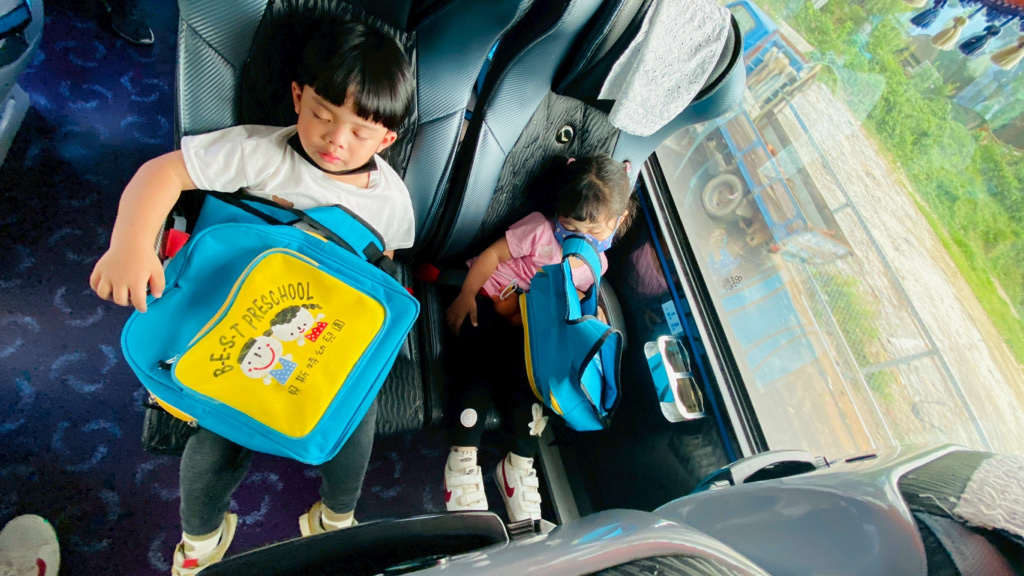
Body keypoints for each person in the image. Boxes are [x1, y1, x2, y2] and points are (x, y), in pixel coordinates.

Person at [88, 20, 415, 575]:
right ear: (297, 97)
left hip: (321, 332)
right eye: (322, 115)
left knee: (356, 417)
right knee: (217, 443)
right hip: (237, 318)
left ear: (386, 140)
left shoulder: (393, 201)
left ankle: (336, 517)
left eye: (360, 132)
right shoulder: (260, 153)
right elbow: (161, 173)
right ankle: (201, 539)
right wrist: (131, 245)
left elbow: (381, 267)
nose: (336, 140)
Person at [443, 155, 633, 522]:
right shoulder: (541, 231)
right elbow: (492, 255)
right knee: (479, 371)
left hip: (529, 326)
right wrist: (466, 293)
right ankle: (462, 455)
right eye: (570, 226)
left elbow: (579, 299)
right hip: (489, 299)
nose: (579, 237)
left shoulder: (595, 264)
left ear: (617, 221)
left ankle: (518, 464)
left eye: (593, 231)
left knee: (533, 390)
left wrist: (594, 317)